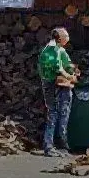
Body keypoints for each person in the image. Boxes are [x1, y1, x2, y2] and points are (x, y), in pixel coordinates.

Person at [37, 27, 75, 157]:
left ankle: (61, 145)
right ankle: (50, 146)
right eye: (66, 36)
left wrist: (72, 70)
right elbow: (56, 68)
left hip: (61, 85)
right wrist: (69, 76)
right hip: (52, 85)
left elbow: (67, 64)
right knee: (53, 114)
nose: (68, 38)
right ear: (59, 38)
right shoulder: (51, 49)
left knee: (63, 114)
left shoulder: (61, 50)